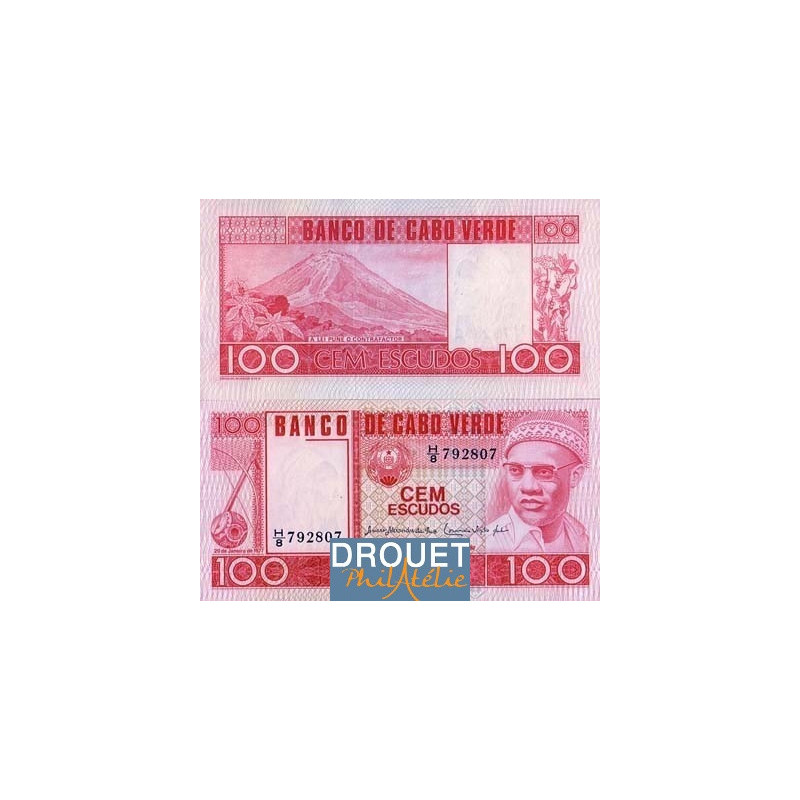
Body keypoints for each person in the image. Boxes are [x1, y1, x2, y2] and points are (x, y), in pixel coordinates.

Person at [487, 411, 589, 553]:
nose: (528, 487)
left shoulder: (583, 539)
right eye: (515, 470)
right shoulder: (485, 543)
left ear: (575, 476)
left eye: (544, 472)